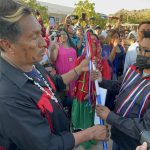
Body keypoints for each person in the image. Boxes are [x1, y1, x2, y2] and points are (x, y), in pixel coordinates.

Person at [0, 0, 109, 150]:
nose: (44, 43)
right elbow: (47, 145)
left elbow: (54, 83)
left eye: (40, 32)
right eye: (34, 37)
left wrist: (79, 69)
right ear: (7, 44)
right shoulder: (8, 96)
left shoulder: (29, 63)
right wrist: (89, 133)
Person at [96, 36, 150, 150]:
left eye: (146, 50)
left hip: (134, 144)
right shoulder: (133, 69)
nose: (140, 54)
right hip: (117, 135)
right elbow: (120, 86)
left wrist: (110, 117)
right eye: (139, 49)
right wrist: (102, 81)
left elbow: (145, 127)